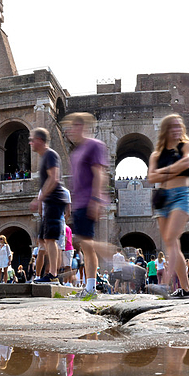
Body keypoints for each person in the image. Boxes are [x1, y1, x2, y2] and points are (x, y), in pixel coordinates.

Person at [147, 113, 189, 298]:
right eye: (172, 126)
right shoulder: (156, 154)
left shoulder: (187, 145)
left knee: (171, 237)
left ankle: (164, 284)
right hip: (163, 198)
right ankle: (186, 289)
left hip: (182, 196)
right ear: (165, 130)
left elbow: (188, 161)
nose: (177, 129)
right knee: (171, 243)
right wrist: (176, 170)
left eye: (179, 126)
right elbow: (151, 177)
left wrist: (163, 173)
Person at [62, 112, 111, 299]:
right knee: (85, 245)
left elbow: (99, 173)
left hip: (89, 200)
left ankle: (91, 287)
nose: (69, 131)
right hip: (79, 202)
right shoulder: (77, 151)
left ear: (81, 127)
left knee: (87, 245)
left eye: (72, 127)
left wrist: (96, 199)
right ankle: (90, 287)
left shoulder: (94, 146)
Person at [29, 127, 69, 283]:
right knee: (44, 239)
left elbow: (54, 178)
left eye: (32, 140)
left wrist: (40, 199)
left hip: (54, 200)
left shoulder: (51, 155)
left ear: (39, 140)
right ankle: (51, 273)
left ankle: (52, 275)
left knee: (50, 239)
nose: (31, 143)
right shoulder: (45, 157)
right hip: (50, 201)